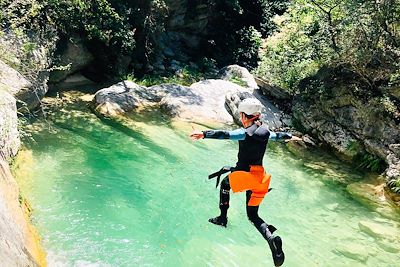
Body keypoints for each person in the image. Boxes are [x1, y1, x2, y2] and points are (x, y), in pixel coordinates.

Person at [190, 98, 301, 267]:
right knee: (253, 215)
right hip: (260, 179)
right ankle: (271, 240)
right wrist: (290, 136)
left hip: (245, 176)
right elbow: (278, 136)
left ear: (243, 115)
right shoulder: (265, 132)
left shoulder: (245, 133)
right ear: (257, 115)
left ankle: (222, 218)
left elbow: (225, 134)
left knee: (225, 184)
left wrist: (204, 134)